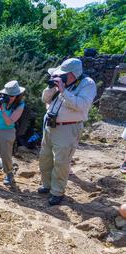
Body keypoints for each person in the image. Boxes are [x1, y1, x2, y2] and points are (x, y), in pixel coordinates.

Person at [39, 58, 96, 205]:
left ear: (74, 74)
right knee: (45, 157)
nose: (61, 75)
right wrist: (52, 86)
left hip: (68, 128)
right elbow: (45, 99)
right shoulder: (61, 82)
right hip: (50, 125)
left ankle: (57, 192)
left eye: (65, 74)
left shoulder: (87, 84)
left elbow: (82, 105)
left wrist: (63, 91)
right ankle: (47, 185)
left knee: (61, 162)